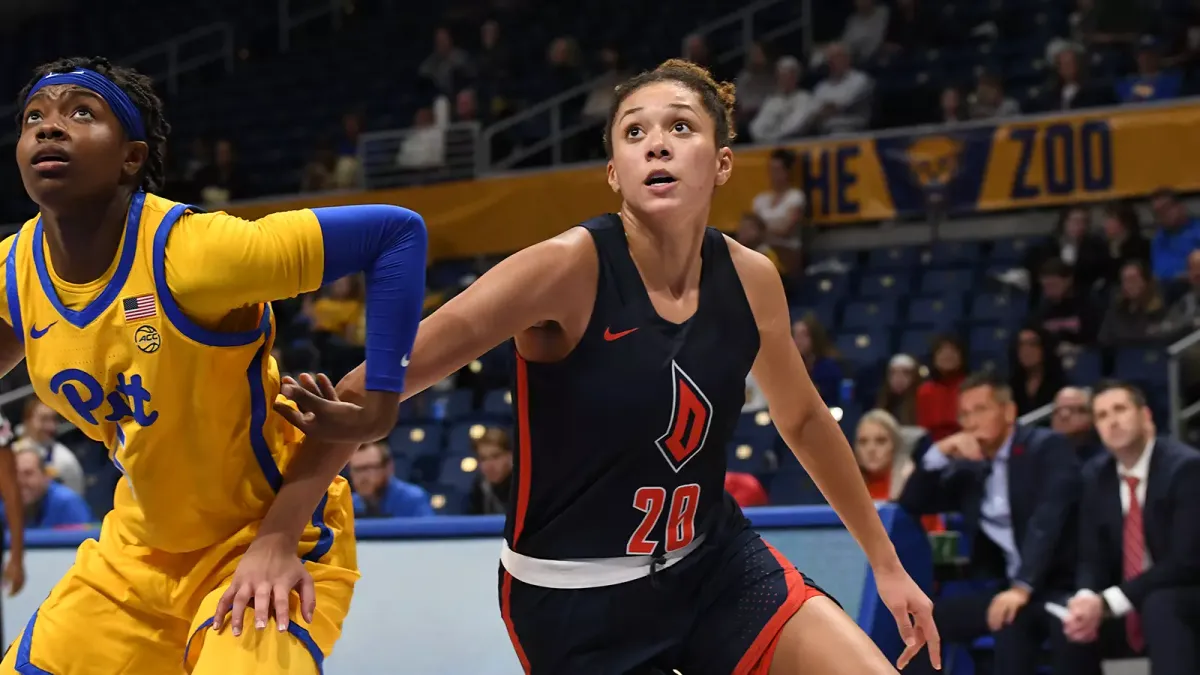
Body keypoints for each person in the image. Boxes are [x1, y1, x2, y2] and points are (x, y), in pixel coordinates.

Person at [271, 59, 937, 674]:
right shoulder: (563, 268)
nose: (658, 142)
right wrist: (276, 537)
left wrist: (886, 561)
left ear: (723, 162)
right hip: (574, 603)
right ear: (615, 170)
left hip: (712, 565)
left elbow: (804, 417)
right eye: (634, 131)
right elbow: (376, 380)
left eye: (681, 126)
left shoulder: (753, 278)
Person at [0, 57, 427, 674]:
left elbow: (396, 235)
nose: (48, 128)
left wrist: (381, 403)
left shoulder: (194, 252)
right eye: (33, 117)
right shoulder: (16, 273)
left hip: (266, 531)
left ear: (131, 157)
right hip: (139, 549)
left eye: (80, 113)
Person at [898, 371, 1098, 675]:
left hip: (1060, 585)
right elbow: (912, 503)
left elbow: (1047, 522)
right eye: (964, 414)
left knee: (1018, 626)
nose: (971, 421)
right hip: (1007, 589)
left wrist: (1022, 587)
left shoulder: (1046, 448)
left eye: (981, 409)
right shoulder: (968, 469)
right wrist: (937, 453)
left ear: (1009, 412)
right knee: (928, 620)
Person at [1064, 381, 1200, 675]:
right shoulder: (1096, 476)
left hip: (1186, 589)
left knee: (1160, 604)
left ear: (1146, 416)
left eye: (1120, 409)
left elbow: (1185, 560)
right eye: (1101, 416)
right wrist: (1087, 597)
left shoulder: (1186, 468)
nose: (1112, 421)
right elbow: (1091, 554)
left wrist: (1110, 601)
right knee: (1070, 621)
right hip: (1127, 595)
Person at [5, 442, 92, 528]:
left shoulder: (67, 503)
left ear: (45, 476)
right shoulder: (5, 505)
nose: (20, 481)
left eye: (28, 473)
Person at [347, 442, 433, 518]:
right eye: (357, 470)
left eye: (369, 468)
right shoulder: (350, 505)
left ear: (388, 468)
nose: (363, 477)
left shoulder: (412, 499)